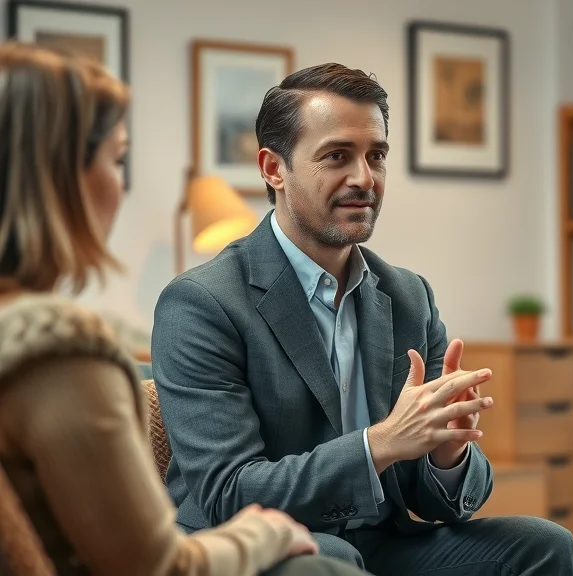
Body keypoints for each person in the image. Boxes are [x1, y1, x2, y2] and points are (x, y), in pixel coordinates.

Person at [151, 62, 573, 575]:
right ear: (273, 169)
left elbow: (442, 502)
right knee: (331, 559)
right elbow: (229, 493)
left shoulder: (408, 296)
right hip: (259, 549)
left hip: (381, 541)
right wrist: (381, 444)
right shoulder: (201, 303)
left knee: (544, 545)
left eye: (376, 156)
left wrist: (447, 454)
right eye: (337, 156)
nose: (364, 178)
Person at [0, 43, 366, 576]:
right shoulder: (59, 351)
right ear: (56, 176)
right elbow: (159, 564)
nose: (120, 188)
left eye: (376, 154)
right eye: (118, 160)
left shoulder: (404, 294)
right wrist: (264, 533)